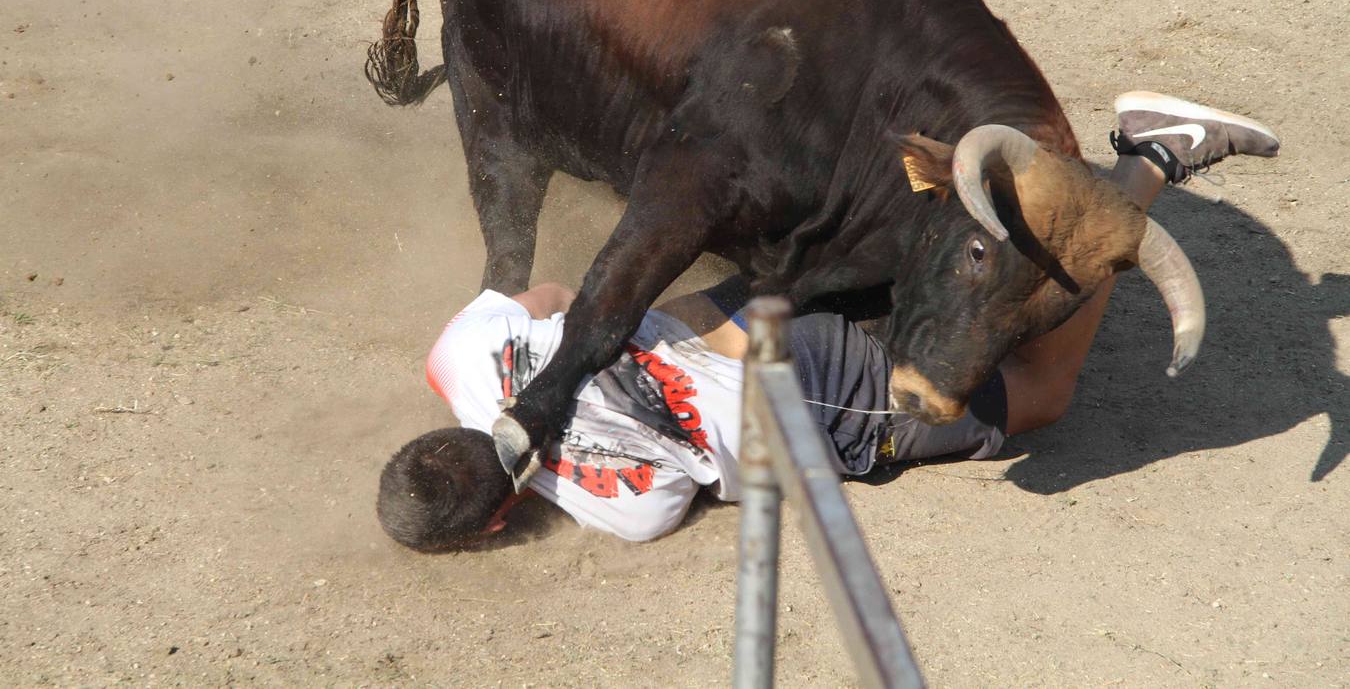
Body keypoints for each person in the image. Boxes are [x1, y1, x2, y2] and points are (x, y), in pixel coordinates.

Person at [377, 92, 1279, 548]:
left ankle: (1150, 158)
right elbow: (557, 304)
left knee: (1037, 390)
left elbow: (698, 484)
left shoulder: (623, 512)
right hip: (728, 307)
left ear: (494, 524)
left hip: (821, 398)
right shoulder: (456, 355)